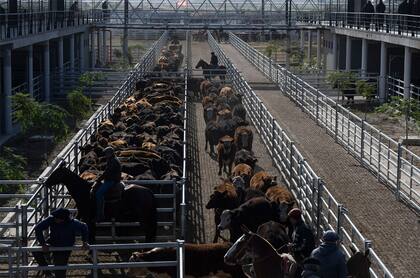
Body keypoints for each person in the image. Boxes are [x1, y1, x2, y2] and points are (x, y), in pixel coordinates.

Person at [33, 208, 89, 278]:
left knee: (59, 271)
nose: (55, 219)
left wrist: (84, 242)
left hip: (64, 248)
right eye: (55, 217)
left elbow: (84, 227)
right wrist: (43, 243)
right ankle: (47, 272)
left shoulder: (73, 223)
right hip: (53, 242)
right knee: (36, 251)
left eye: (57, 218)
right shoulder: (52, 219)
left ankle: (49, 270)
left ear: (63, 219)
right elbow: (38, 228)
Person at [94, 146, 121, 221]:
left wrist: (99, 179)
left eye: (106, 153)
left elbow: (107, 172)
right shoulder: (112, 160)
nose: (105, 155)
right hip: (112, 179)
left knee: (98, 194)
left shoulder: (113, 161)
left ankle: (100, 215)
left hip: (112, 180)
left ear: (110, 153)